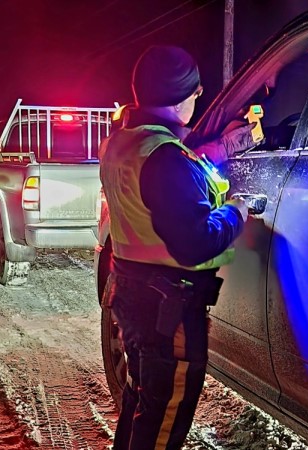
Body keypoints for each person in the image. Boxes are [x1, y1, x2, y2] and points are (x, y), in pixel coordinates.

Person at [98, 45, 253, 449]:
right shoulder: (165, 158)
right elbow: (194, 243)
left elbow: (175, 168)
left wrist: (220, 148)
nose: (197, 100)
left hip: (132, 295)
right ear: (182, 96)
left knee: (140, 401)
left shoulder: (123, 143)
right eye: (197, 93)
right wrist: (237, 211)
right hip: (168, 312)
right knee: (163, 419)